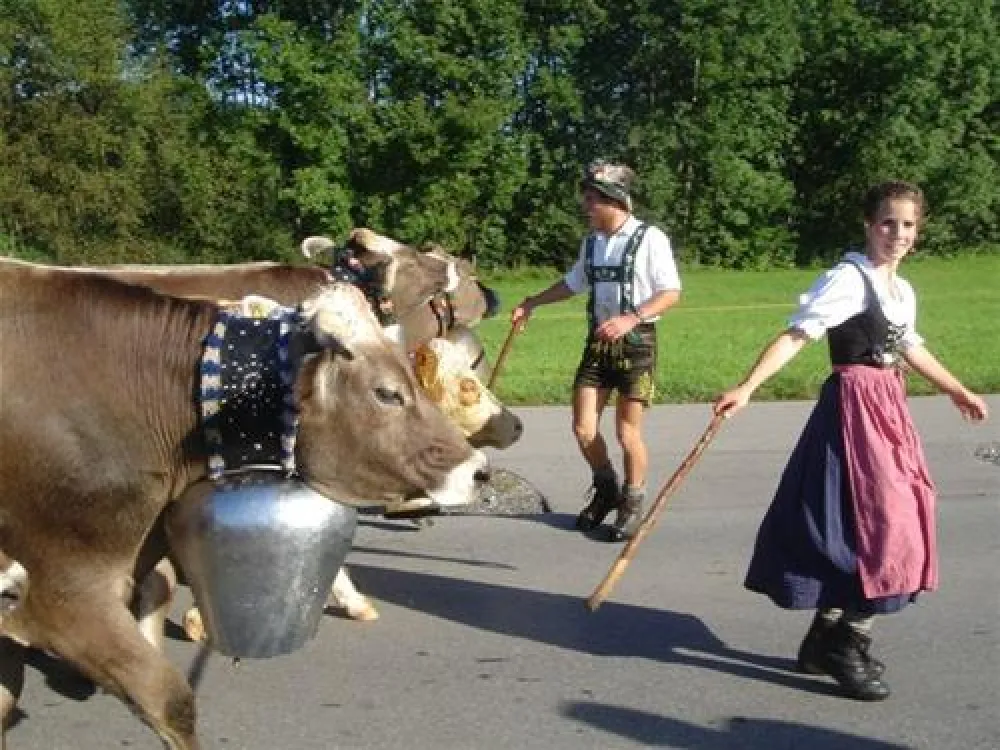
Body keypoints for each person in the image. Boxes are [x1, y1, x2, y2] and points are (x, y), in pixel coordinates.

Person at [713, 180, 989, 701]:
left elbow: (908, 345)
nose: (898, 233)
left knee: (878, 523)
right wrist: (747, 387)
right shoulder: (847, 280)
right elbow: (798, 334)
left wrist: (957, 389)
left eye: (908, 224)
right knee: (883, 527)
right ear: (868, 224)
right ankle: (847, 641)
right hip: (852, 413)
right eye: (888, 222)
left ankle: (824, 639)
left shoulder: (900, 290)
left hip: (888, 411)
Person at [511, 160, 682, 542]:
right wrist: (532, 302)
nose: (586, 207)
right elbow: (573, 284)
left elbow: (670, 293)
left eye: (592, 200)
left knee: (627, 432)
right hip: (598, 346)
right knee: (583, 427)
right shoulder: (592, 243)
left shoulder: (649, 238)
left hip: (637, 345)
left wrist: (631, 318)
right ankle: (606, 489)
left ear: (613, 201)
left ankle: (632, 502)